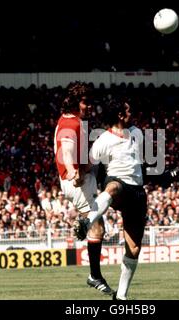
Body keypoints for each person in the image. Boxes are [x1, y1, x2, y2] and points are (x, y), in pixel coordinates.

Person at [83, 99, 179, 300]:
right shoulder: (102, 140)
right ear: (120, 115)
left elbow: (142, 166)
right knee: (113, 187)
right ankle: (87, 221)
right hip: (116, 185)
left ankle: (120, 297)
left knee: (134, 248)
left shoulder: (137, 133)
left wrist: (163, 176)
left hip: (137, 191)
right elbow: (87, 168)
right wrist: (85, 189)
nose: (132, 112)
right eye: (128, 110)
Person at [53, 81, 113, 295]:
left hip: (83, 176)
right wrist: (72, 171)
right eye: (85, 102)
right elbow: (67, 149)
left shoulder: (74, 120)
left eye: (90, 102)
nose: (89, 106)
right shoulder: (72, 125)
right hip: (77, 182)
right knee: (97, 228)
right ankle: (94, 276)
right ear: (74, 102)